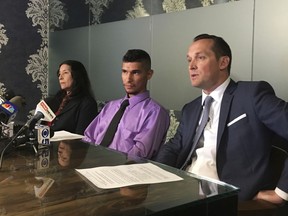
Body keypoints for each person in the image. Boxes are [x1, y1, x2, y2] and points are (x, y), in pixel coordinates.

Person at [155, 34, 288, 204]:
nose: (191, 66)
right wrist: (156, 174)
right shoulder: (191, 108)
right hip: (181, 189)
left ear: (223, 62)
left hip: (223, 197)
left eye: (200, 58)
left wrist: (281, 193)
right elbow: (174, 146)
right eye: (189, 60)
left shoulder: (251, 95)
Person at [83, 49, 170, 159]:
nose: (128, 79)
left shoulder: (154, 113)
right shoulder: (110, 106)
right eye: (124, 72)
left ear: (149, 74)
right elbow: (88, 137)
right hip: (92, 163)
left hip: (122, 169)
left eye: (135, 72)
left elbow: (139, 155)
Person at [44, 60, 98, 135]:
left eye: (65, 73)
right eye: (59, 74)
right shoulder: (53, 100)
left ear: (77, 76)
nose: (60, 77)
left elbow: (81, 136)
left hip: (67, 145)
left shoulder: (87, 103)